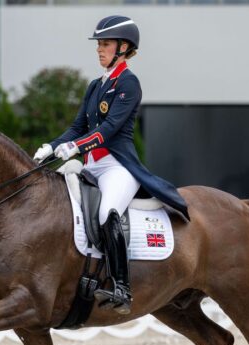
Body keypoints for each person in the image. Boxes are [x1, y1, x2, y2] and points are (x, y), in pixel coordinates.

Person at [34, 15, 190, 315]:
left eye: (105, 44)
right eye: (99, 44)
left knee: (107, 212)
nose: (99, 50)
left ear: (123, 47)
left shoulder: (129, 83)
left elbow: (109, 129)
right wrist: (52, 146)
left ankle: (121, 287)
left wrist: (75, 147)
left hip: (118, 167)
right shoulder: (96, 86)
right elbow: (78, 125)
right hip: (91, 167)